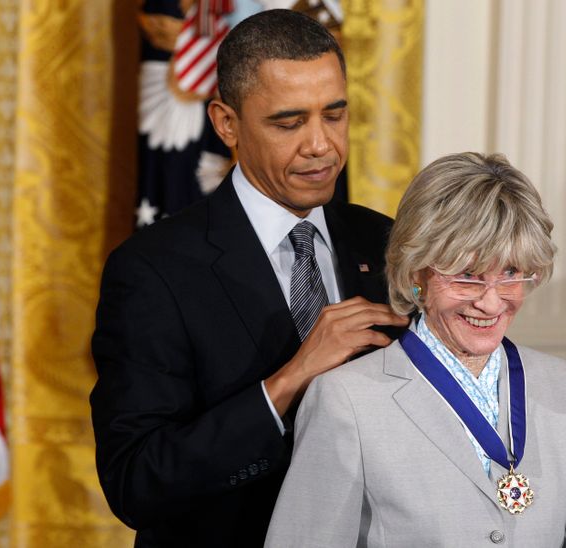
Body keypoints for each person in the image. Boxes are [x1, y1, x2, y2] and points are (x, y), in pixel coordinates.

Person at [90, 9, 409, 547]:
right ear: (226, 123)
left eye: (334, 115)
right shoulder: (151, 271)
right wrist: (288, 381)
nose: (321, 145)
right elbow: (137, 482)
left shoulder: (388, 243)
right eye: (289, 123)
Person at [265, 152, 566, 547]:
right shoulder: (346, 401)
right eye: (467, 275)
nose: (491, 302)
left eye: (510, 273)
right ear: (416, 272)